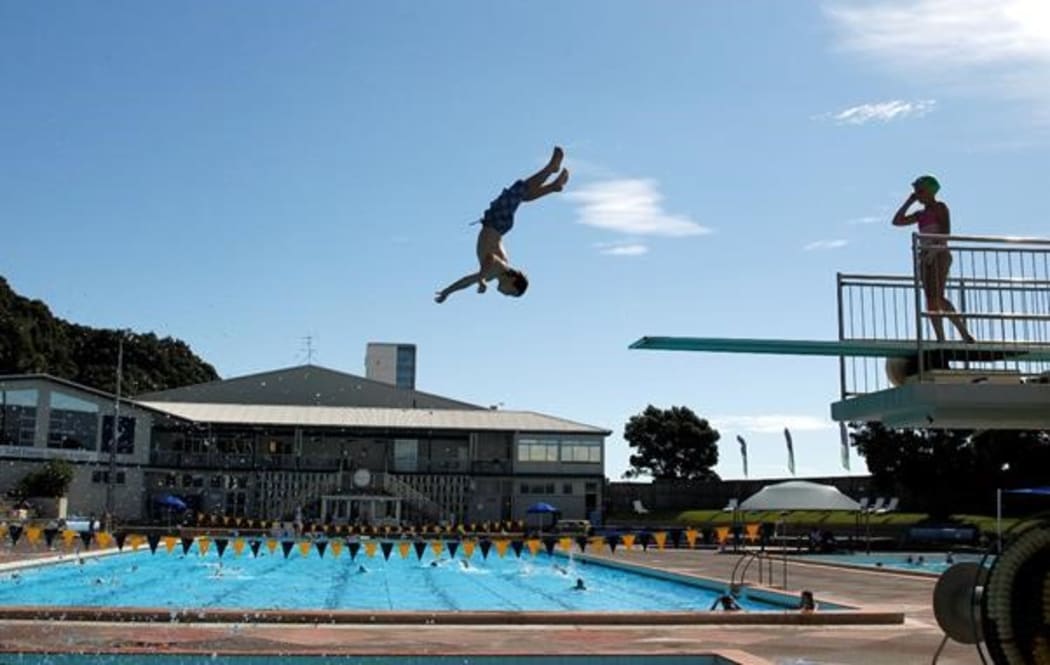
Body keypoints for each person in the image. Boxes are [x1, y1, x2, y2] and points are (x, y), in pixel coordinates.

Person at [435, 146, 569, 303]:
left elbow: (466, 281)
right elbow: (491, 258)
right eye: (510, 293)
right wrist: (481, 279)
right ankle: (550, 169)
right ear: (513, 283)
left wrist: (447, 292)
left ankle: (553, 187)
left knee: (521, 195)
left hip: (496, 224)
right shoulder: (502, 268)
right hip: (497, 223)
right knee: (518, 191)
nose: (505, 295)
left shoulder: (492, 275)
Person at [892, 175, 976, 343]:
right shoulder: (920, 214)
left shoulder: (940, 207)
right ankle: (940, 338)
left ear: (930, 191)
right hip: (924, 257)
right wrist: (909, 201)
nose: (917, 194)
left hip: (938, 254)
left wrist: (933, 251)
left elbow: (945, 233)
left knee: (937, 296)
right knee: (930, 299)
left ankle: (963, 332)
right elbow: (897, 221)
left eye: (920, 191)